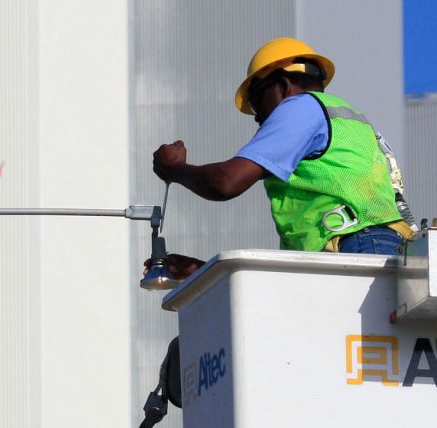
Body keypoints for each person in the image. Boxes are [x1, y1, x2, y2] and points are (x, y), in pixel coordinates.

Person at [152, 37, 416, 279]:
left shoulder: (300, 107)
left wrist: (175, 169)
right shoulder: (347, 121)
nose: (257, 117)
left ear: (281, 86)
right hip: (367, 245)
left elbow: (226, 182)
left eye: (256, 103)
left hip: (355, 244)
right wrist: (202, 272)